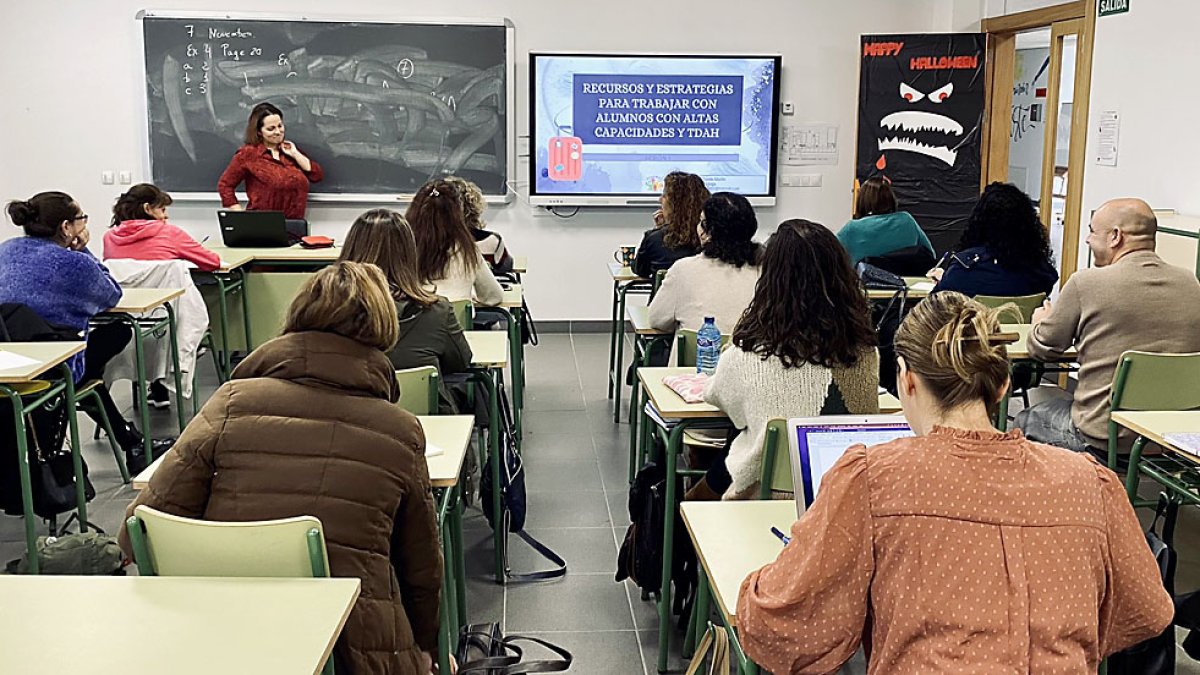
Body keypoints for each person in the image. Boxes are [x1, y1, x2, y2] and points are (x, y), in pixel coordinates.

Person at [738, 291, 1173, 673]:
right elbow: (1147, 611)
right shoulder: (1089, 483)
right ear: (1002, 385)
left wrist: (759, 585)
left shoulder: (874, 478)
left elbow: (790, 632)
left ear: (906, 378)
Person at [119, 262, 442, 675]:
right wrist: (427, 649)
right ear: (383, 330)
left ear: (297, 315)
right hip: (351, 647)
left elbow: (141, 529)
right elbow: (422, 571)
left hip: (217, 635)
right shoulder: (400, 430)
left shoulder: (231, 401)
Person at [689, 220, 880, 500]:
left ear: (769, 280)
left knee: (723, 455)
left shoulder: (747, 355)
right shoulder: (864, 353)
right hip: (846, 498)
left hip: (762, 500)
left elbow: (717, 395)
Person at [0, 192, 171, 471]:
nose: (84, 225)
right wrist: (81, 250)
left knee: (91, 372)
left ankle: (132, 442)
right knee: (119, 332)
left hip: (11, 358)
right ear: (66, 227)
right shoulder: (72, 264)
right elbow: (111, 294)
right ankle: (133, 444)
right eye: (81, 219)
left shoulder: (6, 250)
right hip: (55, 363)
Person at [1015, 198, 1200, 456]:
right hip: (1169, 439)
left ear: (1115, 237)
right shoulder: (1191, 284)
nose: (1087, 240)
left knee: (1029, 418)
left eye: (1091, 231)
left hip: (1103, 437)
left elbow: (1042, 349)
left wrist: (1040, 322)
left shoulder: (1086, 283)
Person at [340, 208, 473, 412]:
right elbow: (461, 361)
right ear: (410, 254)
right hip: (424, 427)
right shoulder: (436, 311)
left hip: (344, 424)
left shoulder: (328, 310)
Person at [648, 192, 761, 362]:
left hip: (691, 378)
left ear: (706, 232)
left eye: (701, 222)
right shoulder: (768, 272)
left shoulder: (683, 270)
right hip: (749, 374)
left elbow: (656, 320)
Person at [931, 182, 1058, 297]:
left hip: (975, 322)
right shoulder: (1040, 271)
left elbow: (932, 307)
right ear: (1028, 225)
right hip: (1021, 323)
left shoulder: (964, 268)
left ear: (979, 221)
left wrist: (946, 278)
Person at [217, 101, 323, 220]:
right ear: (259, 132)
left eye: (280, 126)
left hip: (294, 226)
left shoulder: (289, 151)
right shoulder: (248, 154)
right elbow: (225, 185)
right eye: (271, 129)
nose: (278, 132)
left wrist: (295, 154)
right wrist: (241, 216)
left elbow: (316, 175)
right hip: (263, 227)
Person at [406, 179, 503, 306]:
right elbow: (494, 296)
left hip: (411, 322)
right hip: (456, 322)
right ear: (457, 215)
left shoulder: (404, 247)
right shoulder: (466, 249)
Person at [104, 183, 220, 272]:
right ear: (147, 209)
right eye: (162, 210)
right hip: (167, 300)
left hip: (127, 301)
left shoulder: (109, 237)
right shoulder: (170, 233)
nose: (166, 216)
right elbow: (213, 262)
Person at [837, 177, 934, 268]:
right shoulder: (906, 220)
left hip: (865, 283)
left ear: (862, 200)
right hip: (906, 282)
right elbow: (930, 254)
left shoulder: (852, 228)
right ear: (891, 198)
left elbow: (828, 255)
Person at [633, 171, 708, 279]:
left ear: (675, 204)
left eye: (664, 195)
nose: (660, 200)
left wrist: (659, 229)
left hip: (666, 296)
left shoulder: (655, 239)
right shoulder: (713, 239)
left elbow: (640, 270)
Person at [444, 175, 514, 275]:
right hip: (480, 289)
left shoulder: (426, 243)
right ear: (473, 208)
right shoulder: (492, 240)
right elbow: (506, 266)